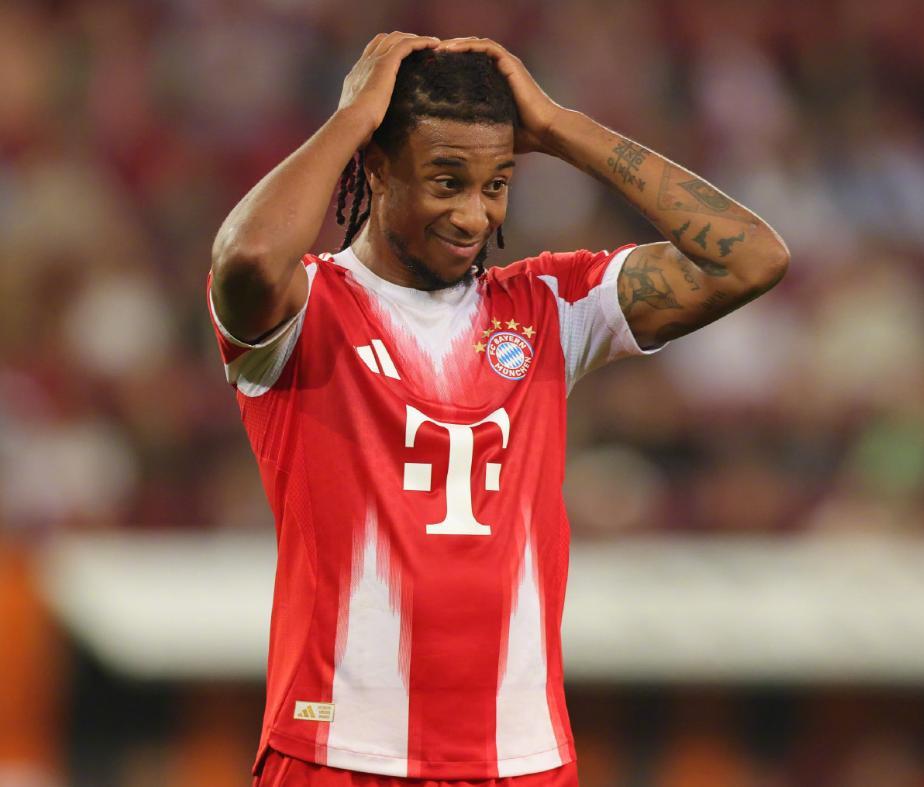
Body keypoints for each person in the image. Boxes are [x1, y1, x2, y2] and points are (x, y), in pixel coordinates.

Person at [207, 31, 789, 787]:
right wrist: (352, 119)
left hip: (522, 758)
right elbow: (248, 256)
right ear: (376, 168)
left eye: (496, 184)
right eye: (447, 182)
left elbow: (751, 257)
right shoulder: (305, 308)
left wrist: (560, 127)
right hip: (338, 751)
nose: (473, 215)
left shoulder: (550, 306)